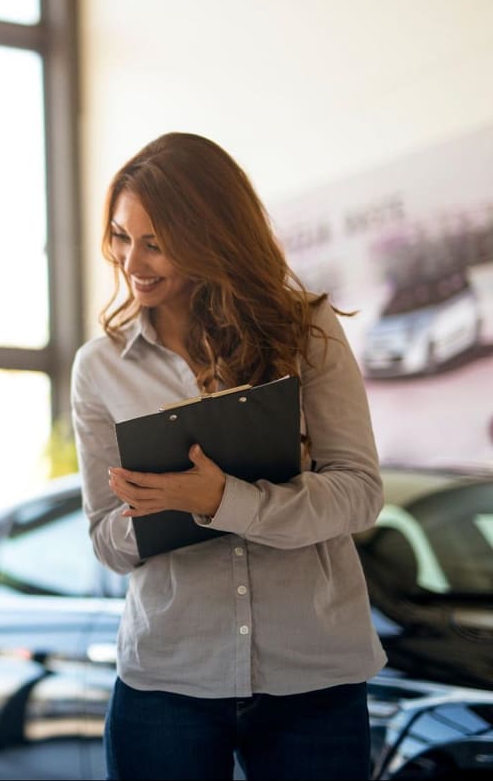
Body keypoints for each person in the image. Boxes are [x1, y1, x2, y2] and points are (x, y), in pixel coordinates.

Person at [69, 132, 387, 780]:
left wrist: (222, 502)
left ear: (213, 232)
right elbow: (106, 541)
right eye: (122, 237)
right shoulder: (98, 369)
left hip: (314, 678)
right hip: (168, 680)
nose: (133, 260)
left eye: (156, 241)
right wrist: (159, 507)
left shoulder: (308, 331)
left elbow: (359, 492)